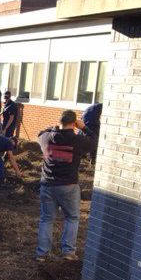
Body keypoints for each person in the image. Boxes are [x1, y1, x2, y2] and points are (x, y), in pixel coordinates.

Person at [36, 110, 92, 262]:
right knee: (72, 218)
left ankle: (42, 254)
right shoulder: (78, 141)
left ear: (59, 121)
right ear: (74, 124)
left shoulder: (46, 138)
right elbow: (94, 141)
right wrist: (84, 127)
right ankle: (67, 252)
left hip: (47, 184)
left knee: (46, 219)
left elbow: (40, 133)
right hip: (68, 186)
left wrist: (52, 128)